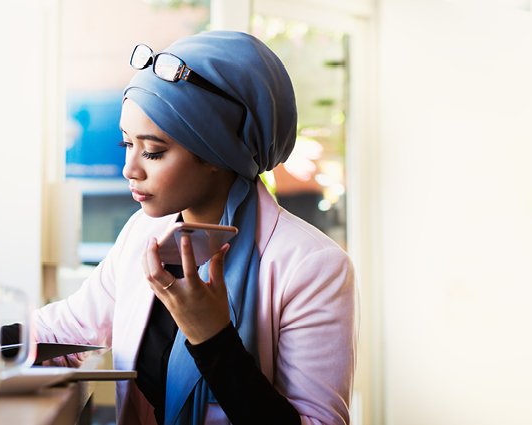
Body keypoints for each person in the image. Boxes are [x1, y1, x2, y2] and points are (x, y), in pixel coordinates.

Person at [34, 31, 356, 425]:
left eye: (153, 151)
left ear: (217, 153)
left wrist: (213, 338)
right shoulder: (142, 234)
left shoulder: (314, 267)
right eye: (125, 145)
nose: (128, 170)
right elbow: (67, 330)